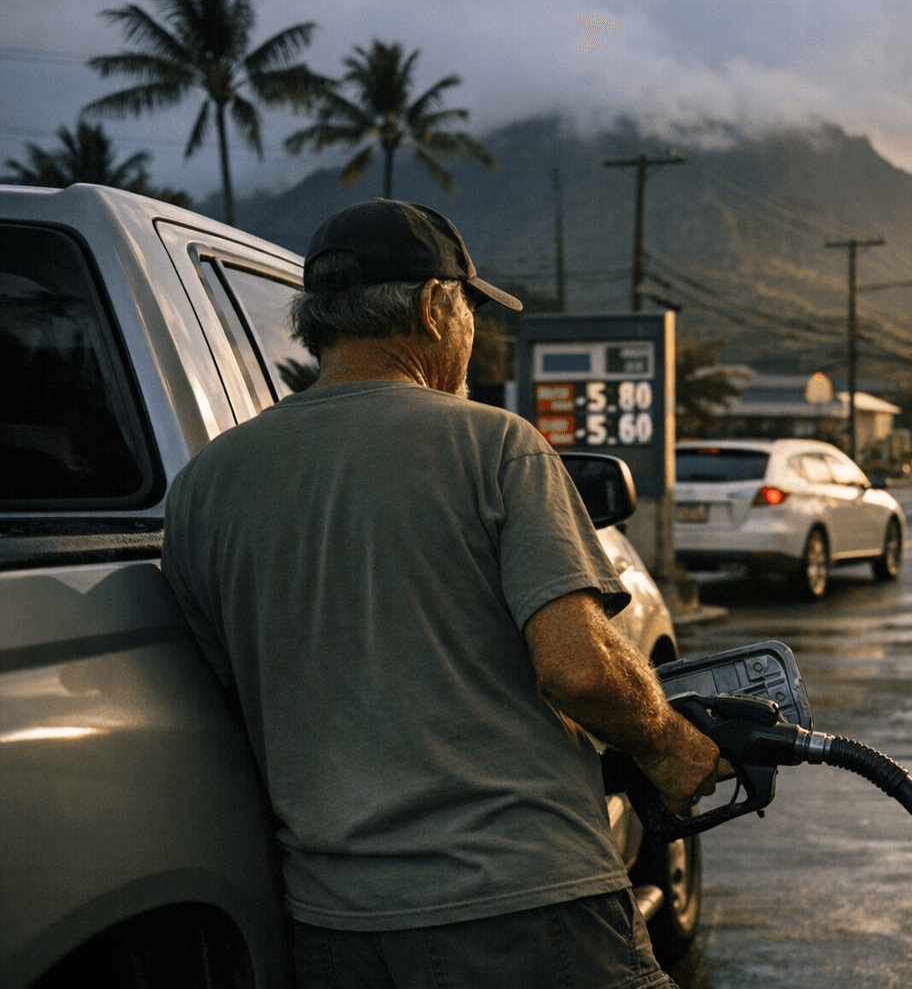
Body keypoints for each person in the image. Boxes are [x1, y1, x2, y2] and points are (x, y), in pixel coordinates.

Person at [161, 199, 722, 989]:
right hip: (523, 908)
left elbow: (236, 697)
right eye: (469, 313)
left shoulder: (201, 490)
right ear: (433, 306)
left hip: (336, 930)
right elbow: (581, 670)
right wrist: (668, 742)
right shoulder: (494, 444)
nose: (472, 337)